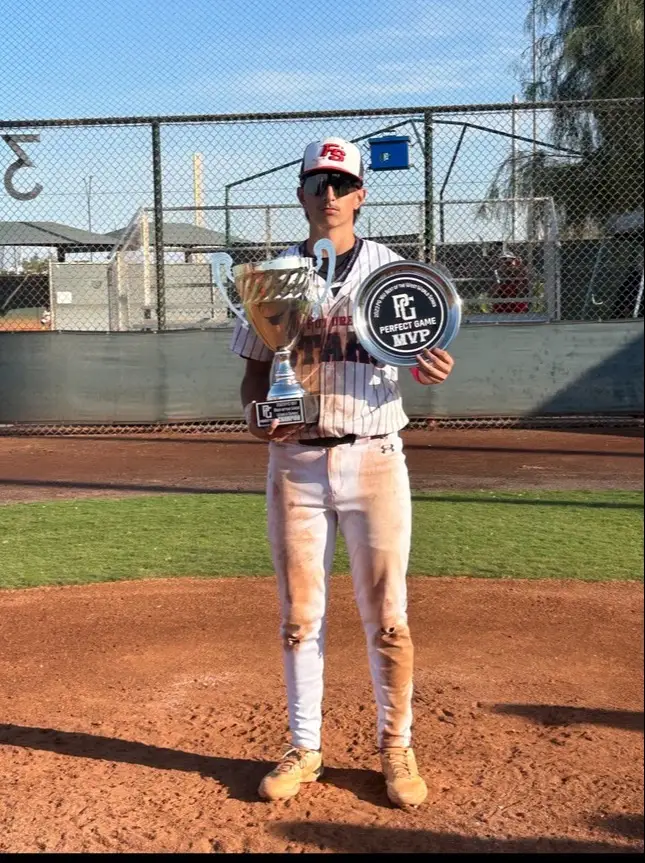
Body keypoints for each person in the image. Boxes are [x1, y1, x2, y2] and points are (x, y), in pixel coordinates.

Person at [229, 136, 455, 809]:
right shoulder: (271, 277)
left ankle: (395, 746)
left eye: (341, 184)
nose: (329, 195)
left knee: (387, 615)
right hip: (294, 462)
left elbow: (420, 347)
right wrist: (258, 419)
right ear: (300, 194)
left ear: (360, 194)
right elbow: (252, 375)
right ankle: (304, 747)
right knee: (299, 616)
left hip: (374, 455)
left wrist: (431, 365)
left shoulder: (393, 274)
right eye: (317, 184)